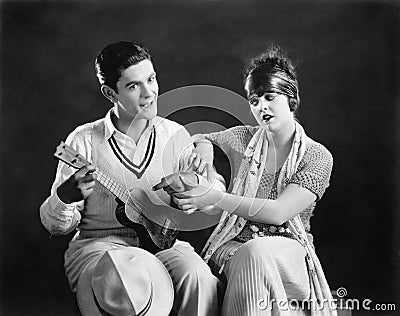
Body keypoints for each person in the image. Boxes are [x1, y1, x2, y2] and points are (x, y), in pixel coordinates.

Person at [39, 41, 223, 316]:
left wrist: (197, 189)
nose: (149, 93)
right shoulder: (84, 140)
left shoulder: (174, 135)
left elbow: (215, 201)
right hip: (100, 247)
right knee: (123, 288)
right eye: (133, 86)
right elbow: (56, 227)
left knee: (199, 277)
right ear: (110, 92)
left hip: (162, 242)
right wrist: (65, 198)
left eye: (151, 79)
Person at [169, 46, 337, 315]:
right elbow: (200, 136)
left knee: (256, 253)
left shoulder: (317, 156)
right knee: (250, 255)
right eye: (254, 100)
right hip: (234, 246)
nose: (262, 107)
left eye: (270, 97)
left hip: (289, 251)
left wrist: (213, 197)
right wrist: (204, 146)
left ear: (291, 99)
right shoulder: (242, 138)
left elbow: (279, 212)